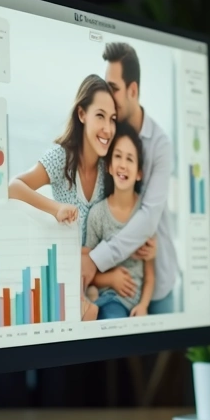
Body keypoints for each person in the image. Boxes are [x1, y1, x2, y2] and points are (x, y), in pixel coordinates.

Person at [80, 42, 179, 315]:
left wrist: (95, 260)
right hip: (117, 287)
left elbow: (148, 218)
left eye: (113, 89)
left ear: (133, 90)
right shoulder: (108, 135)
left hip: (156, 277)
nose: (107, 97)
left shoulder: (160, 145)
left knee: (166, 355)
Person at [9, 74, 116, 241]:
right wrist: (56, 209)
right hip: (67, 263)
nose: (108, 129)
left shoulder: (110, 168)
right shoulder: (62, 159)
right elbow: (13, 187)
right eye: (100, 116)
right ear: (82, 114)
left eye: (112, 119)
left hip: (100, 265)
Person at [81, 122, 155, 321]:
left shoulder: (145, 214)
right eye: (118, 156)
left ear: (139, 173)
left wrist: (144, 306)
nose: (123, 164)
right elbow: (86, 271)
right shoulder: (97, 215)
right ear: (110, 166)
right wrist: (111, 279)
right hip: (106, 299)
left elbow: (150, 275)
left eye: (130, 159)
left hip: (133, 306)